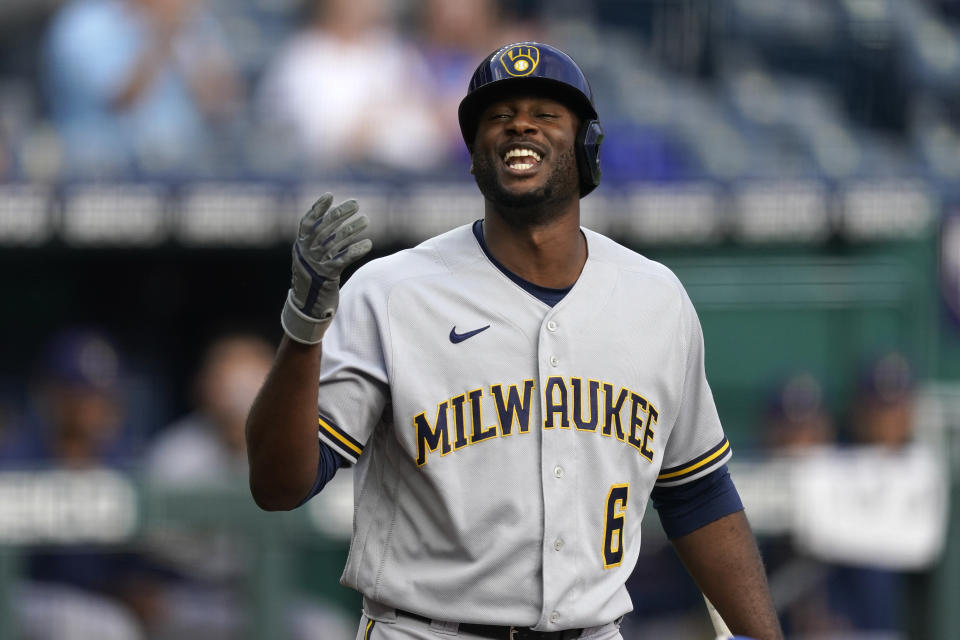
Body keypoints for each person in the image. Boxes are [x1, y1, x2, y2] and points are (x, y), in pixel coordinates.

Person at [246, 42, 782, 640]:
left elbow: (698, 493)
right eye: (498, 116)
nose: (519, 124)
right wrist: (303, 329)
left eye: (545, 113)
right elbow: (279, 485)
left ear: (586, 147)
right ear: (475, 153)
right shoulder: (393, 292)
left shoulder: (656, 298)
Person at [43, 0, 240, 176]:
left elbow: (222, 106)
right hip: (100, 176)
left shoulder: (193, 21)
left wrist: (191, 37)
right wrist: (165, 33)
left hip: (184, 171)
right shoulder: (84, 23)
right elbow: (121, 100)